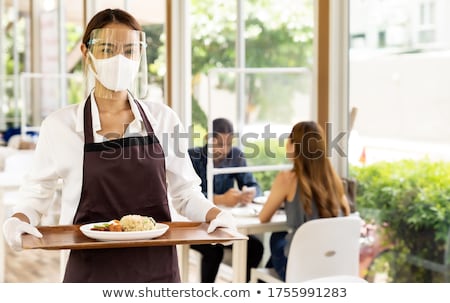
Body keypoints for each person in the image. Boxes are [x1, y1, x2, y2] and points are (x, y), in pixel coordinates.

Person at [1, 8, 234, 283]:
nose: (119, 60)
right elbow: (38, 192)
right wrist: (18, 218)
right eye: (107, 49)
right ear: (86, 54)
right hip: (90, 270)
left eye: (129, 51)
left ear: (139, 56)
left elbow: (184, 192)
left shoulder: (163, 119)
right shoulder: (60, 125)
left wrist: (215, 214)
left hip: (156, 269)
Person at [259, 121, 351, 281]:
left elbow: (263, 217)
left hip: (301, 269)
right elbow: (346, 215)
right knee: (280, 247)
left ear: (294, 146)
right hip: (333, 267)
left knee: (277, 236)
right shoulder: (333, 180)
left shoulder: (287, 178)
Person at [188, 118, 264, 282]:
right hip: (196, 225)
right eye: (219, 143)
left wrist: (249, 192)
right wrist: (221, 199)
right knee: (215, 251)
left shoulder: (235, 156)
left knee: (255, 247)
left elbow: (254, 185)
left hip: (224, 224)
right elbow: (188, 196)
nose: (224, 149)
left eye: (228, 143)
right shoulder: (192, 157)